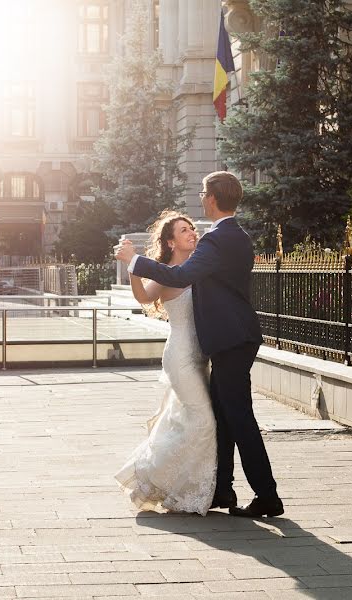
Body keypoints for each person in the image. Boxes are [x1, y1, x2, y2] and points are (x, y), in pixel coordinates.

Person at [114, 171, 282, 518]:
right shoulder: (236, 236)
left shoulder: (216, 240)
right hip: (231, 338)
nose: (201, 198)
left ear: (211, 198)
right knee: (222, 414)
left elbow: (179, 277)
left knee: (239, 418)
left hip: (230, 340)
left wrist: (133, 260)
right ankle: (222, 489)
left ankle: (267, 495)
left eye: (203, 192)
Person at [114, 211, 218, 515]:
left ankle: (181, 486)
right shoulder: (165, 272)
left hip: (203, 355)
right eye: (184, 230)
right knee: (203, 419)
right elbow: (144, 298)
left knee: (185, 420)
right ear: (171, 242)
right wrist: (133, 269)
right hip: (181, 357)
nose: (192, 233)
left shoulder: (201, 267)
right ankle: (157, 479)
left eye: (192, 229)